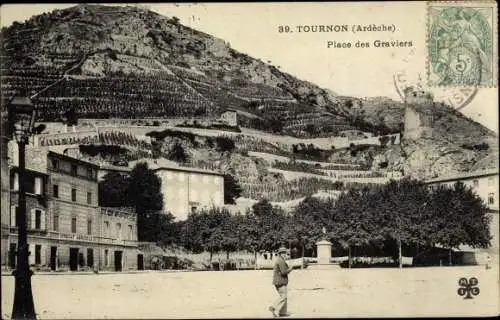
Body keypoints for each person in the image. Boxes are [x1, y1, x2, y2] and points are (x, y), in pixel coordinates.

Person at [269, 247, 292, 317]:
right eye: (283, 253)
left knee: (284, 296)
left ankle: (283, 312)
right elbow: (283, 272)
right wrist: (290, 269)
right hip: (280, 281)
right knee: (284, 296)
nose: (285, 254)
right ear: (280, 254)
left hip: (278, 281)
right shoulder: (281, 261)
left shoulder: (280, 260)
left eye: (285, 253)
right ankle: (273, 307)